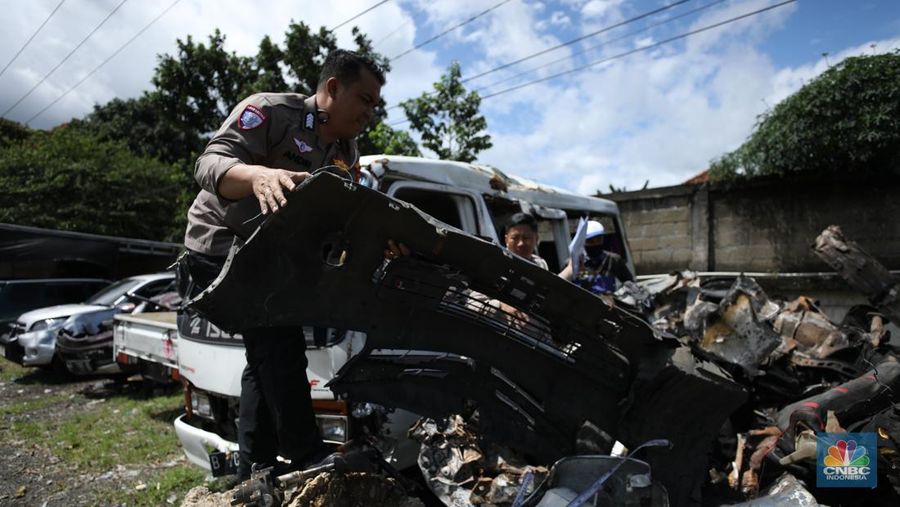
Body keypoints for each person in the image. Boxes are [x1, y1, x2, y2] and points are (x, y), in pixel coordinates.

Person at [180, 49, 385, 480]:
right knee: (279, 342)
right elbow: (208, 163)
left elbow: (343, 218)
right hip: (217, 246)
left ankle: (255, 466)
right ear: (332, 88)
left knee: (266, 355)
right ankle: (307, 455)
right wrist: (257, 176)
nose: (371, 111)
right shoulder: (272, 112)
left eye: (375, 103)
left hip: (268, 257)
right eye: (364, 99)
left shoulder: (347, 151)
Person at [559, 220, 634, 294]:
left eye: (598, 239)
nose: (595, 244)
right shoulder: (573, 263)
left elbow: (629, 282)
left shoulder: (614, 260)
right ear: (583, 241)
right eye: (590, 241)